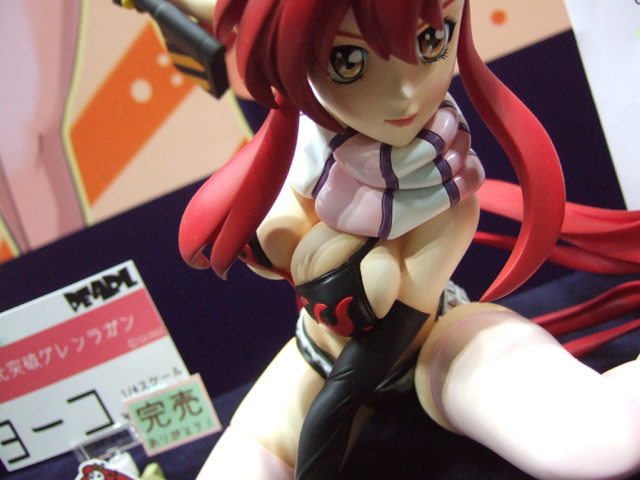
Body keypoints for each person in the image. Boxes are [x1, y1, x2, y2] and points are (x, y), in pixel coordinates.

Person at [165, 0, 640, 478]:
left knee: (597, 442)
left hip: (439, 342)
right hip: (317, 353)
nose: (405, 93)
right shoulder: (305, 152)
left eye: (432, 40)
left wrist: (329, 420)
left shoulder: (446, 184)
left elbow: (395, 329)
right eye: (347, 60)